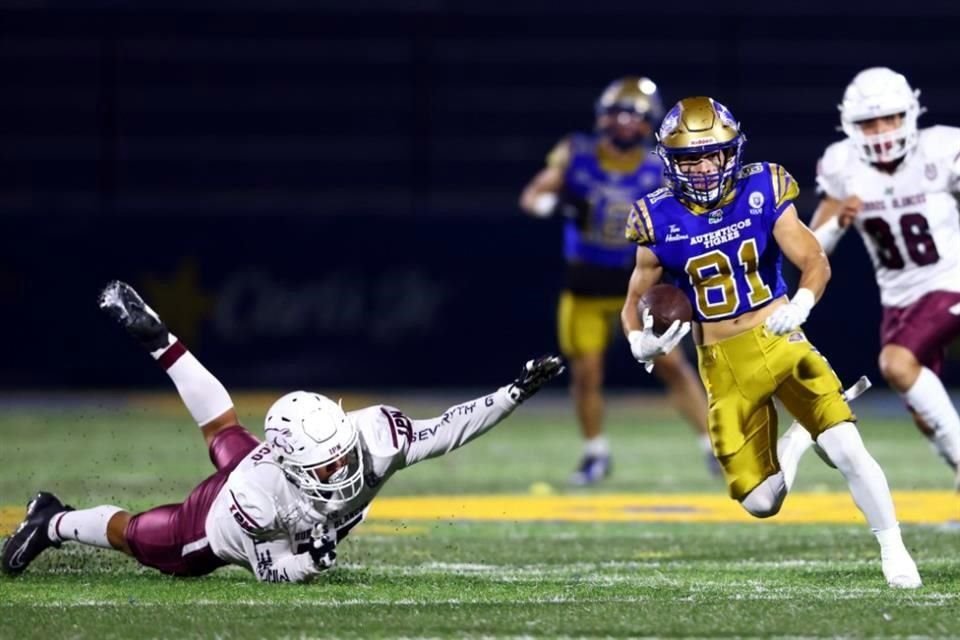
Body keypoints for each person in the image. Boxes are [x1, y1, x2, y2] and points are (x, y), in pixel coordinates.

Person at [1, 281, 564, 582]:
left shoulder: (374, 437)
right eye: (327, 467)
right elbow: (271, 570)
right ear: (291, 463)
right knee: (150, 543)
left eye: (341, 458)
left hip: (267, 477)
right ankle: (54, 521)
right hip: (218, 521)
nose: (343, 471)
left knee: (225, 431)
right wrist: (309, 562)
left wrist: (512, 393)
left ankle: (161, 342)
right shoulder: (254, 499)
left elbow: (448, 430)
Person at [619, 96, 922, 588]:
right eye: (689, 158)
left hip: (780, 338)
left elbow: (814, 259)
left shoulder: (763, 186)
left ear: (730, 152)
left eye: (711, 154)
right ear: (670, 162)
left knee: (846, 445)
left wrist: (801, 303)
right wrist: (638, 341)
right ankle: (796, 440)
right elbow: (632, 301)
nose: (701, 168)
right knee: (761, 502)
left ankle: (894, 549)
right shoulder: (655, 218)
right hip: (721, 364)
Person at [519, 76, 714, 485]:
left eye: (635, 115)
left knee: (673, 366)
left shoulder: (659, 167)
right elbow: (533, 196)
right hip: (585, 284)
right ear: (603, 118)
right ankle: (595, 453)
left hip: (638, 286)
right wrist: (555, 202)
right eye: (619, 113)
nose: (626, 123)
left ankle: (711, 447)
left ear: (649, 123)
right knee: (587, 372)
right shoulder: (576, 153)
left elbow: (689, 215)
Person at [809, 67, 960, 488]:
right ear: (849, 126)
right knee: (922, 410)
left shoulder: (945, 148)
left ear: (909, 113)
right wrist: (838, 222)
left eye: (890, 117)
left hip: (951, 278)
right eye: (868, 122)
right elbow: (812, 248)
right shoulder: (843, 164)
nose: (881, 130)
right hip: (899, 298)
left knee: (895, 363)